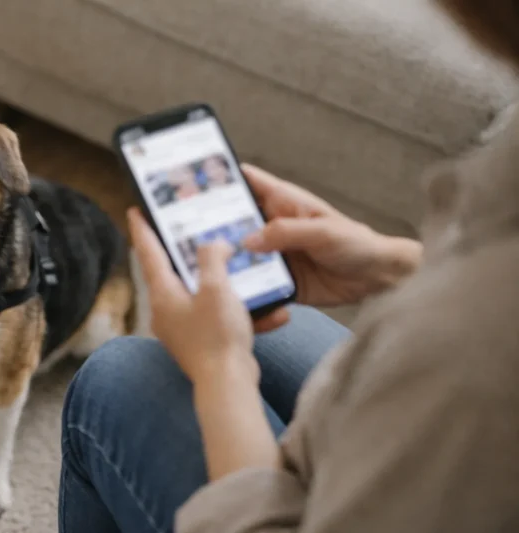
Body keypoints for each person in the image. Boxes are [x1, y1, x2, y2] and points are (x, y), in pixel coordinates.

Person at [59, 1, 519, 531]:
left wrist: (220, 372)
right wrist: (393, 263)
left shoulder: (470, 369)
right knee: (271, 320)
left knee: (117, 379)